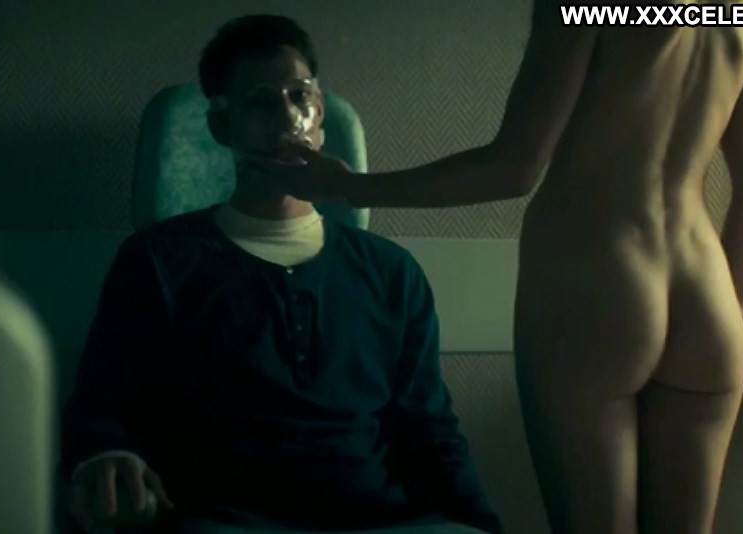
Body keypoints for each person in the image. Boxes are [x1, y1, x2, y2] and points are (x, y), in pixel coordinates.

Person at [244, 2, 743, 533]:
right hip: (707, 294)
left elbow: (514, 167)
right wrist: (727, 321)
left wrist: (350, 186)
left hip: (601, 277)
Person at [59, 14, 501, 534]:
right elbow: (101, 405)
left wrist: (480, 524)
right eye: (261, 102)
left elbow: (432, 432)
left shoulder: (391, 273)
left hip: (376, 520)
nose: (288, 117)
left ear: (320, 113)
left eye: (300, 96)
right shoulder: (159, 262)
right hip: (221, 521)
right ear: (221, 125)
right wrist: (108, 456)